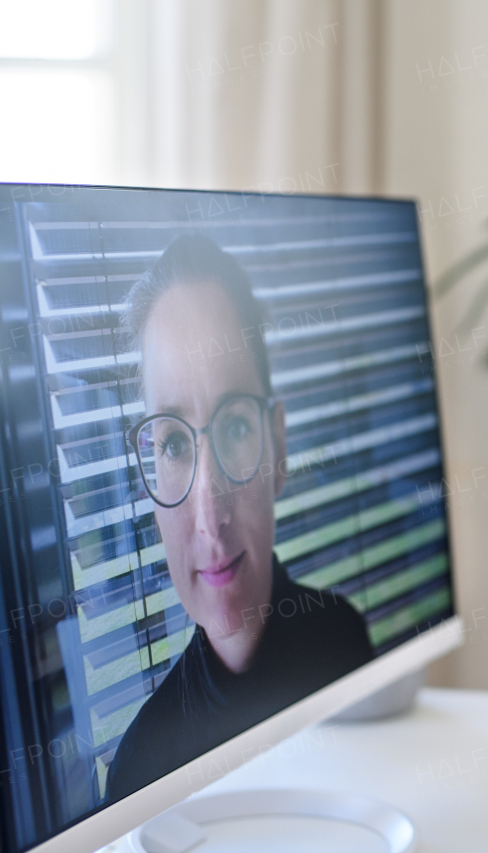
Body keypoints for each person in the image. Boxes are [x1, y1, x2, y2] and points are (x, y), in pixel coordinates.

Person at [106, 235, 373, 802]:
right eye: (174, 446)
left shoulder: (344, 644)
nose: (209, 515)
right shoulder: (139, 775)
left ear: (277, 445)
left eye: (234, 428)